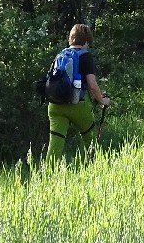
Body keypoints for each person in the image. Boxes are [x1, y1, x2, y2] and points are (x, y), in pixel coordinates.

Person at [45, 23, 111, 163]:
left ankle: (48, 173)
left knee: (55, 142)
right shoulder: (85, 56)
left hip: (55, 105)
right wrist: (102, 100)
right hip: (77, 104)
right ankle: (92, 167)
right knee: (90, 137)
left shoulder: (60, 55)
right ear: (86, 40)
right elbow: (92, 85)